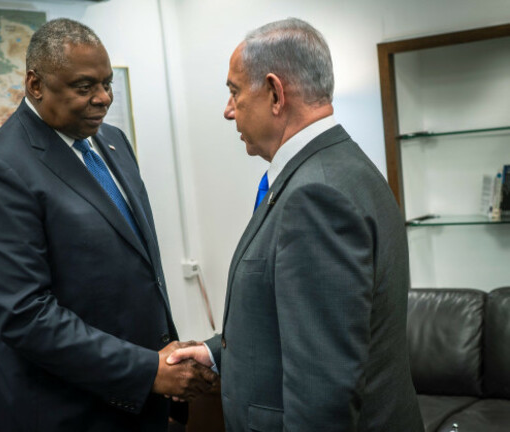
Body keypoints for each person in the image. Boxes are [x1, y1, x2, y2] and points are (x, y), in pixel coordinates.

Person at [0, 18, 216, 432]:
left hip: (139, 399)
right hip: (65, 412)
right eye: (85, 87)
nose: (103, 98)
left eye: (108, 83)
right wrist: (147, 370)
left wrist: (161, 364)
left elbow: (137, 271)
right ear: (35, 85)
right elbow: (25, 314)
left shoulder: (112, 142)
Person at [168, 18, 425, 431]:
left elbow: (324, 394)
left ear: (274, 93)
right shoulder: (343, 167)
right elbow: (306, 319)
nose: (228, 109)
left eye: (234, 91)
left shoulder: (316, 196)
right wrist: (218, 351)